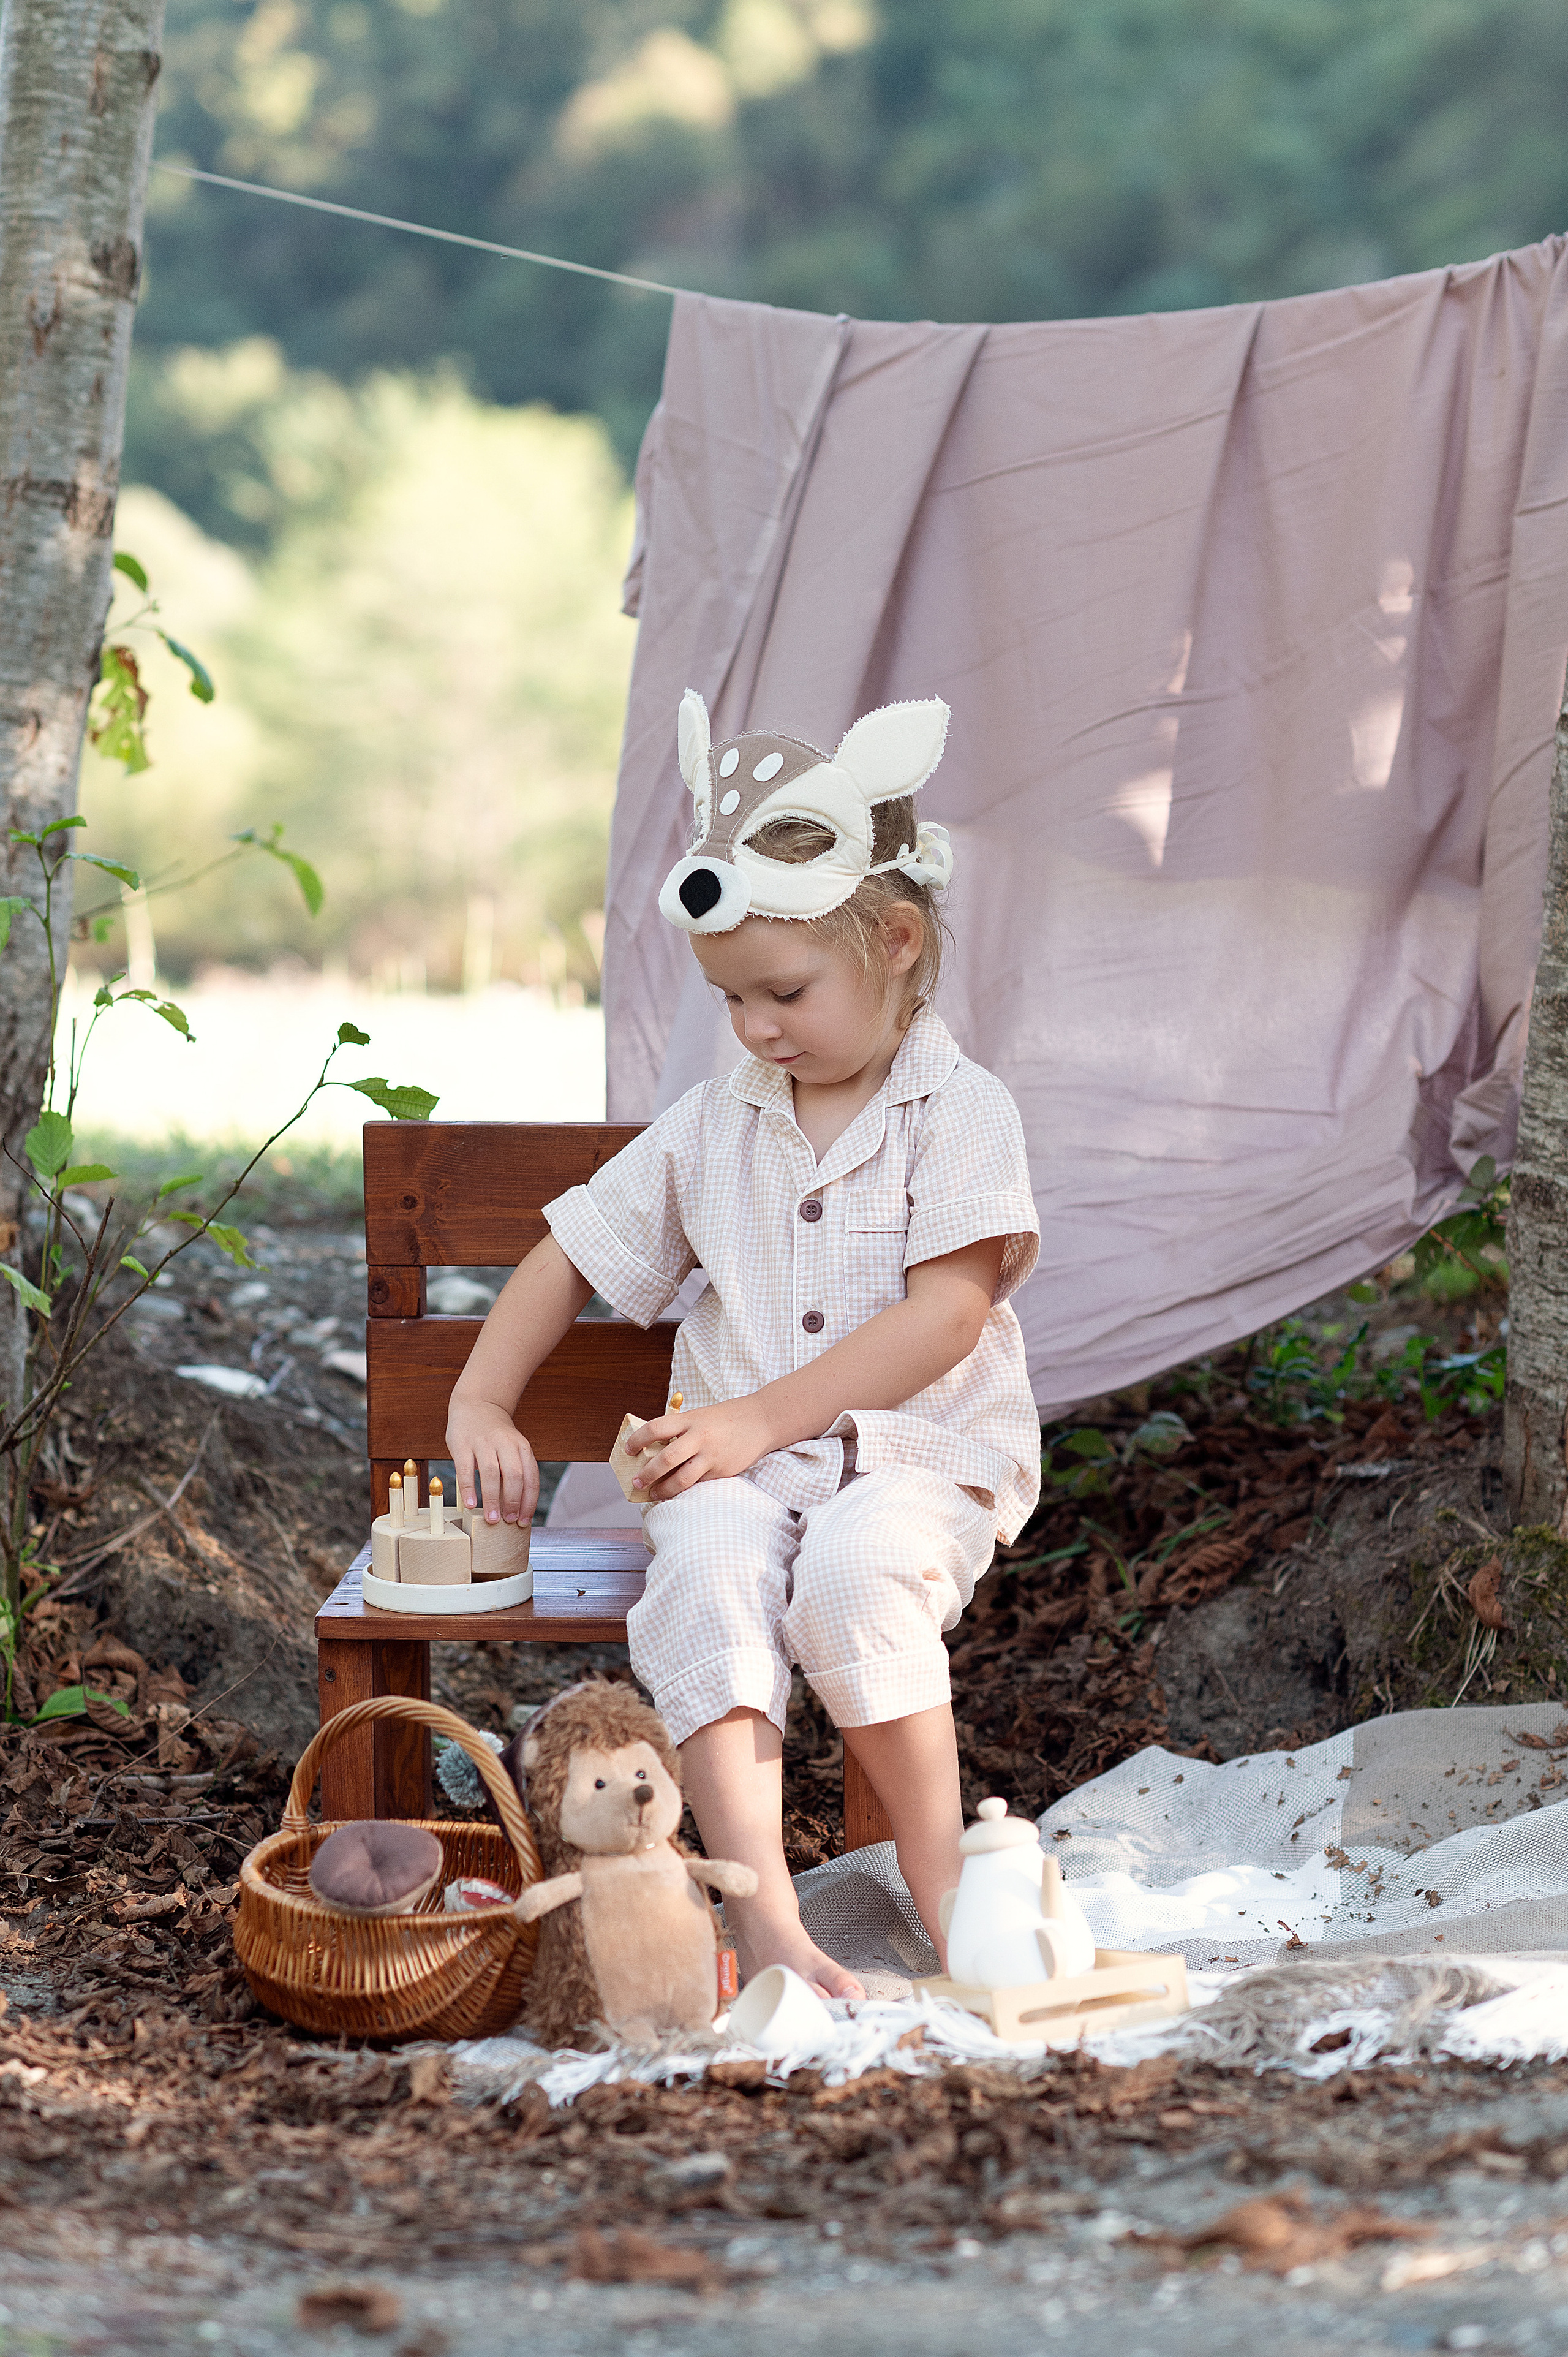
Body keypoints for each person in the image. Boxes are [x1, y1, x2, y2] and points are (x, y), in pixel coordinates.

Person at [448, 690, 1039, 1999]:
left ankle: (947, 1899)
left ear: (892, 940)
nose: (758, 1025)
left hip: (914, 1460)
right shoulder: (721, 1121)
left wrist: (757, 1420)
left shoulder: (960, 1112)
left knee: (856, 1567)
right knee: (709, 1567)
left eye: (784, 990)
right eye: (731, 999)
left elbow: (946, 1315)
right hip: (737, 1474)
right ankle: (768, 1918)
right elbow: (568, 1253)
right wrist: (482, 1399)